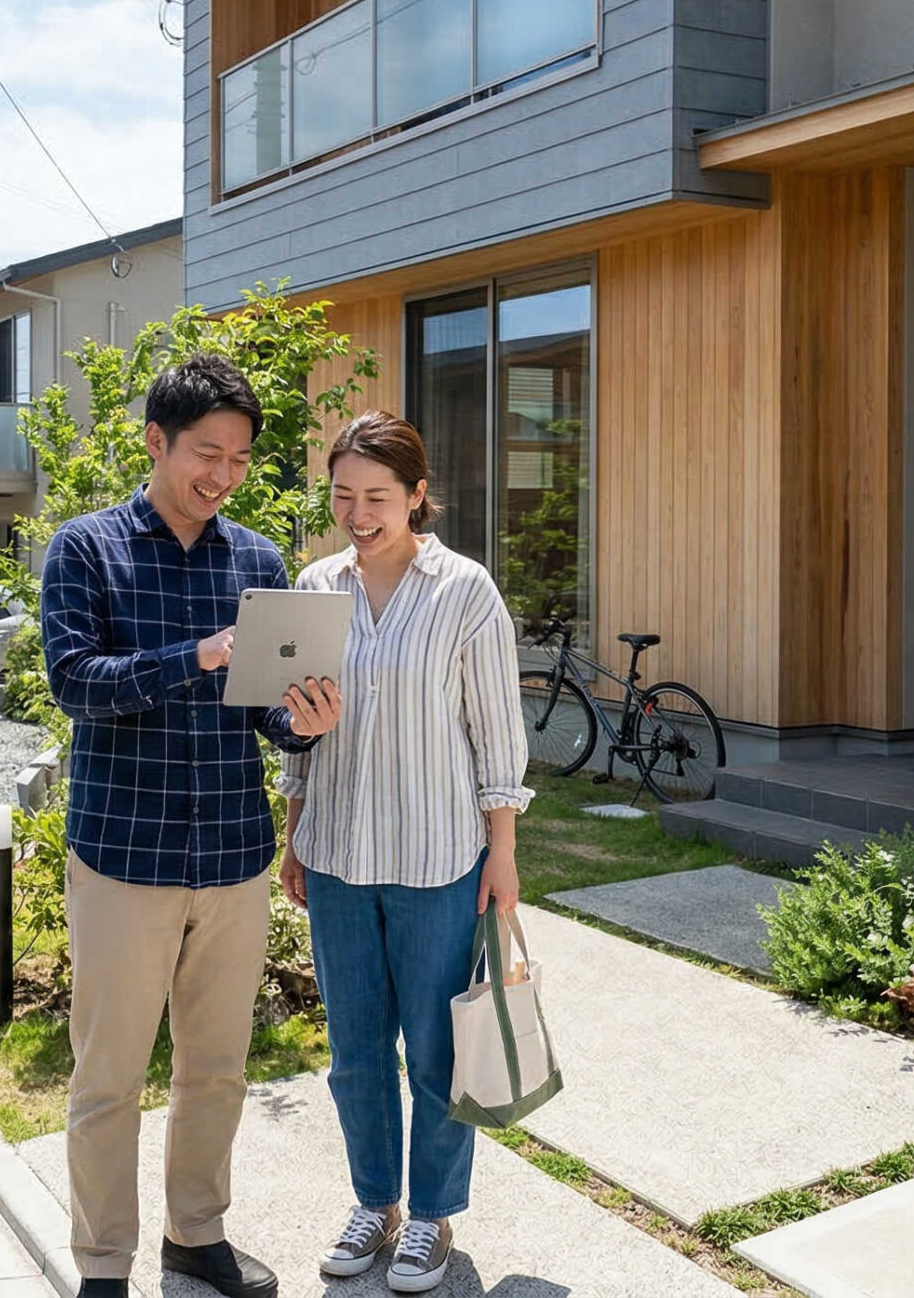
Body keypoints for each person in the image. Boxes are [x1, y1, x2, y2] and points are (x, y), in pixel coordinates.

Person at [41, 352, 345, 1298]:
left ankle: (195, 1234)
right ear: (155, 442)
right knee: (108, 1079)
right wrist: (195, 653)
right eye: (206, 452)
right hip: (122, 854)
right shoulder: (86, 549)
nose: (222, 473)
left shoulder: (257, 561)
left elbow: (261, 708)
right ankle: (102, 1264)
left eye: (241, 458)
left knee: (215, 1068)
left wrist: (303, 717)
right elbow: (73, 683)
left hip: (232, 853)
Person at [277, 411, 532, 1294]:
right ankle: (374, 1200)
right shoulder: (314, 585)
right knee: (353, 1051)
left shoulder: (465, 590)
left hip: (439, 858)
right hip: (339, 851)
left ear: (417, 496)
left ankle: (432, 1215)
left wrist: (502, 851)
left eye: (377, 496)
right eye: (343, 494)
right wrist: (294, 826)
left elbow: (496, 730)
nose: (358, 511)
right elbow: (291, 724)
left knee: (434, 1050)